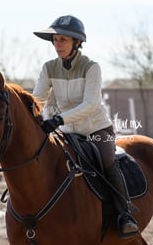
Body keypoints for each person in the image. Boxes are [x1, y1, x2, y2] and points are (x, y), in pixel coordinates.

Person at [32, 15, 139, 238]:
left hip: (96, 130)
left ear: (76, 43)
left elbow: (90, 104)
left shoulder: (91, 67)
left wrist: (59, 119)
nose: (57, 44)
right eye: (55, 40)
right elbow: (38, 99)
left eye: (63, 40)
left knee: (107, 162)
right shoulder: (49, 67)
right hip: (67, 132)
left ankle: (125, 215)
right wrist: (37, 115)